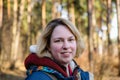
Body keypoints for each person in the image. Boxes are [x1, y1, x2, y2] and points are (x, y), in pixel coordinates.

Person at [24, 18, 94, 80]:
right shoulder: (38, 78)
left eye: (70, 40)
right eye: (58, 41)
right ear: (48, 45)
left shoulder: (78, 74)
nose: (66, 46)